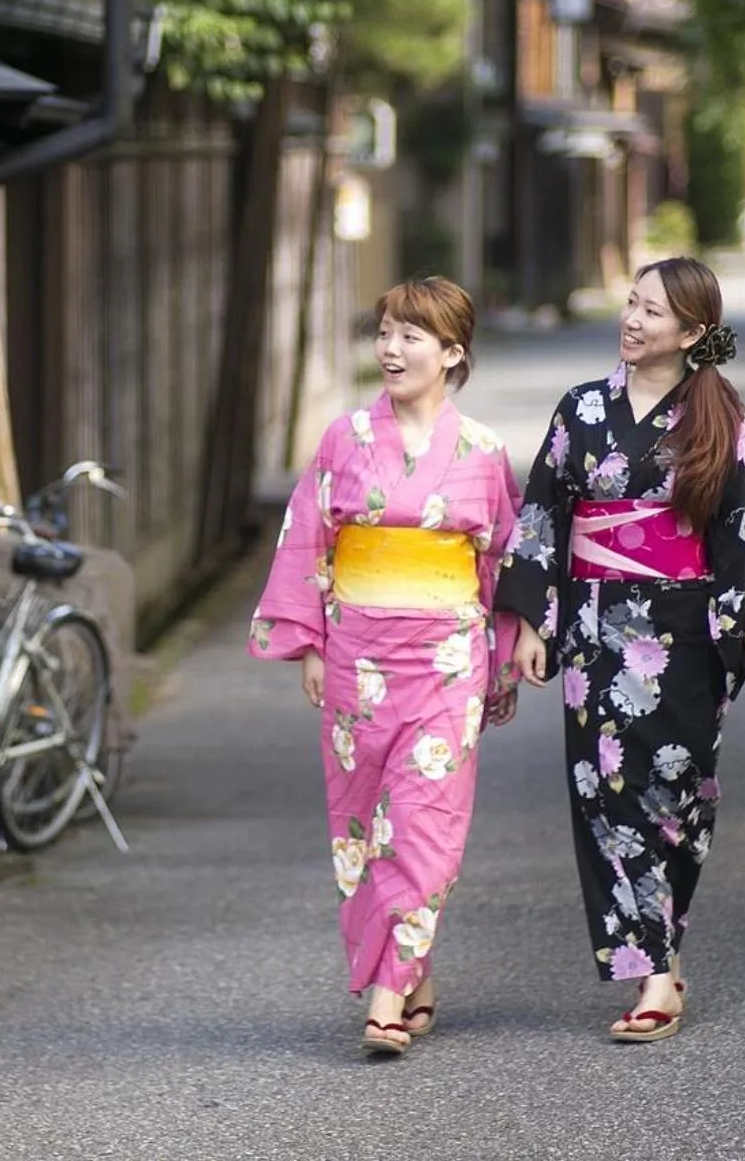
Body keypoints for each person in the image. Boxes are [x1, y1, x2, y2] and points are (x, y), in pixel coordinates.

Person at [497, 256, 745, 1043]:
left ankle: (663, 937)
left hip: (689, 631)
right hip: (597, 625)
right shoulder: (581, 410)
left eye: (652, 312)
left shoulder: (719, 417)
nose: (632, 321)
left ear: (693, 332)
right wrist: (533, 623)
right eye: (631, 304)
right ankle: (654, 972)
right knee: (606, 793)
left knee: (680, 798)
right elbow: (541, 514)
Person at [250, 277, 522, 1057]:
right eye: (386, 332)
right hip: (358, 664)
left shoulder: (483, 453)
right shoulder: (343, 440)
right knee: (365, 828)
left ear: (452, 353)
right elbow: (309, 537)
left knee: (425, 822)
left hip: (446, 664)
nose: (392, 348)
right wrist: (307, 642)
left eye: (412, 335)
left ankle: (386, 993)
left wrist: (503, 659)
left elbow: (502, 562)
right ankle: (413, 968)